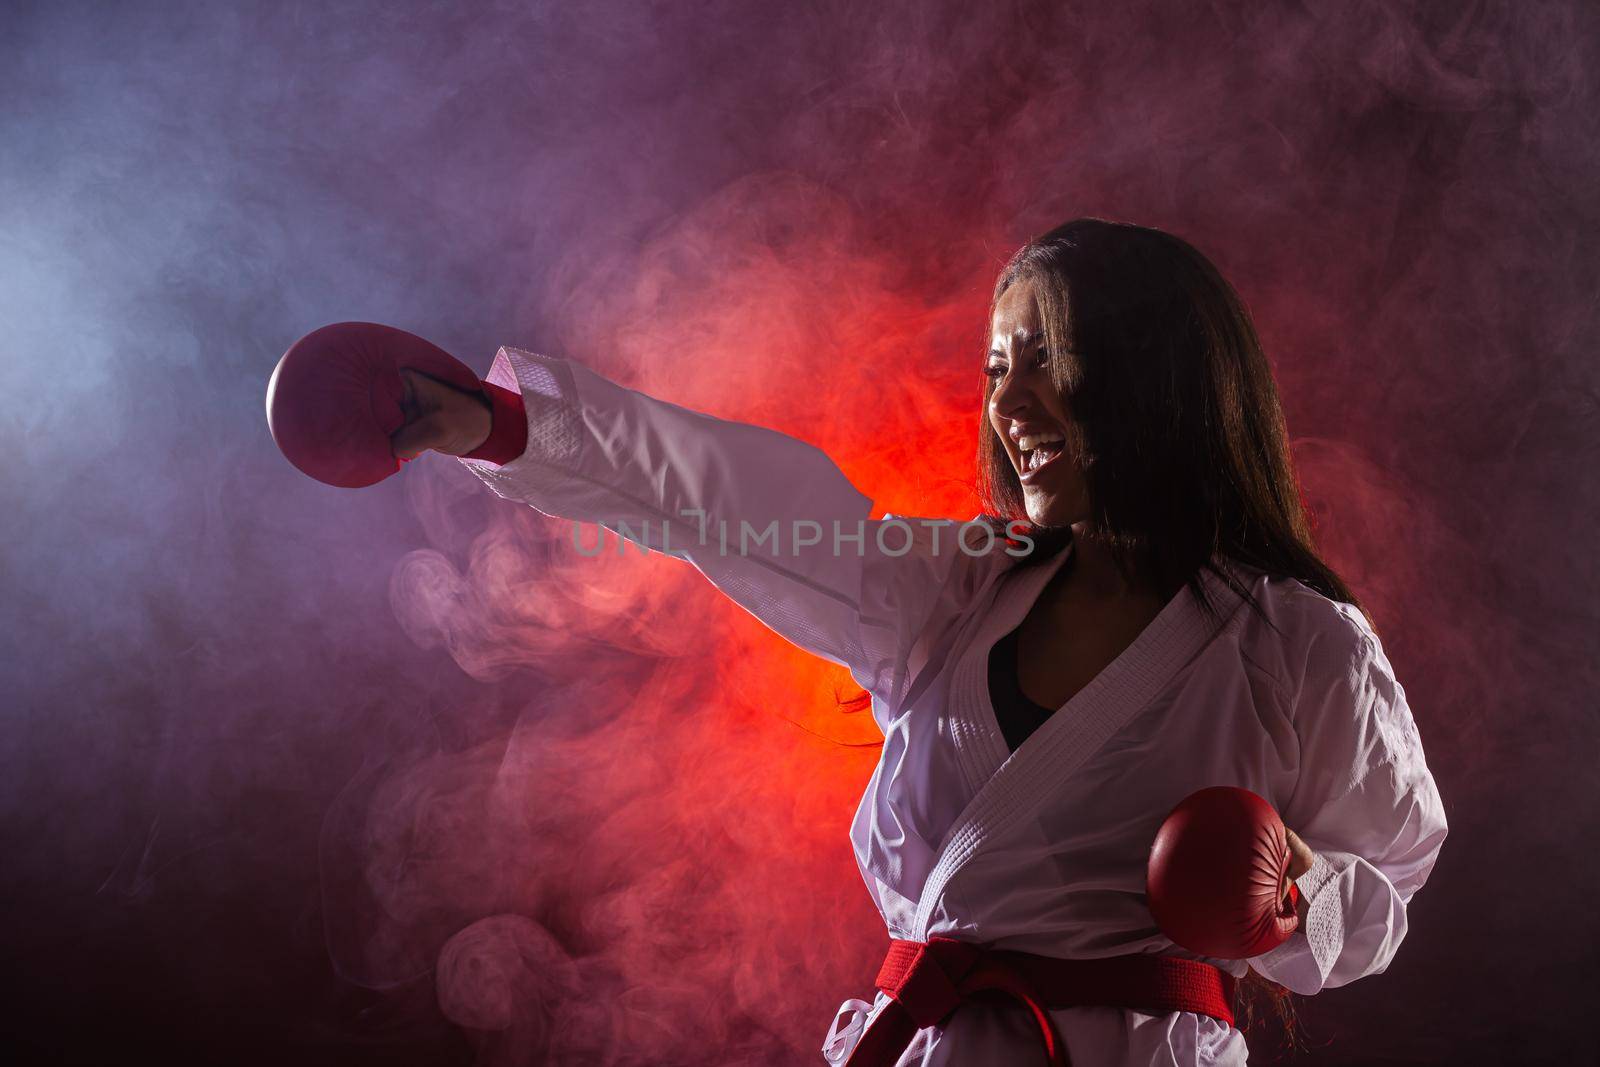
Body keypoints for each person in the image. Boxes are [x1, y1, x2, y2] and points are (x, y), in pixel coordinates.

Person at [387, 218, 1448, 1066]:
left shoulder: (1300, 642)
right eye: (996, 366)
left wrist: (1295, 889)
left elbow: (1387, 883)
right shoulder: (953, 589)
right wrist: (506, 425)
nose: (1007, 402)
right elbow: (729, 502)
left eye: (1045, 358)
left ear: (1156, 376)